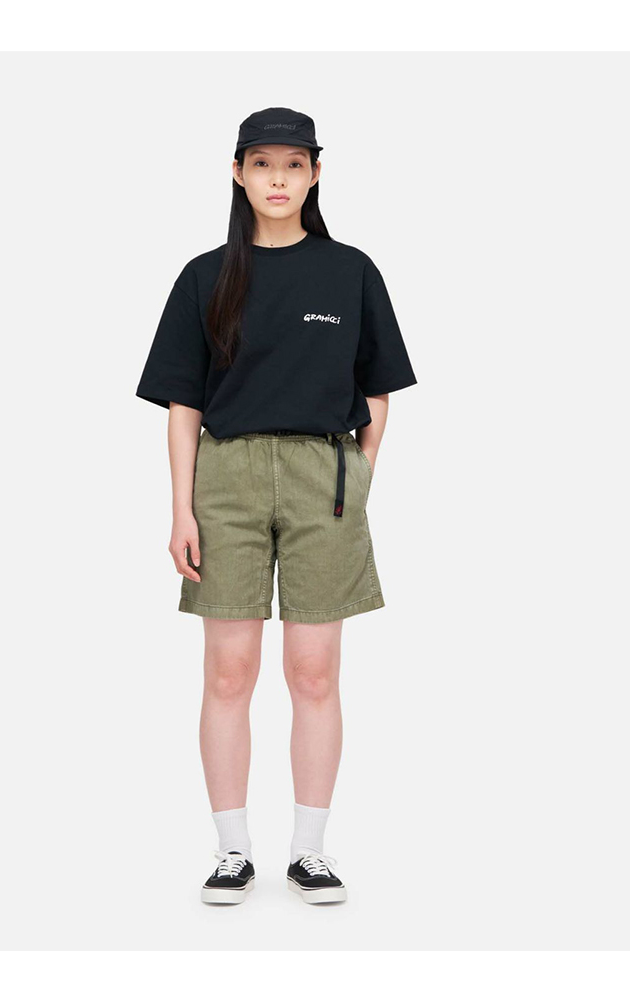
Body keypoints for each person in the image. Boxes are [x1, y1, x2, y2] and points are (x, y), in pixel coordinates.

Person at [135, 107, 417, 905]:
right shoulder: (205, 276)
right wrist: (182, 509)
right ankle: (232, 851)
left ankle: (310, 851)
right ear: (238, 174)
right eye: (263, 164)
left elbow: (378, 389)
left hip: (323, 475)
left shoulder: (351, 271)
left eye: (295, 165)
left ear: (316, 174)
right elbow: (183, 405)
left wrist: (356, 475)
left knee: (314, 671)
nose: (279, 180)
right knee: (229, 670)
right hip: (225, 478)